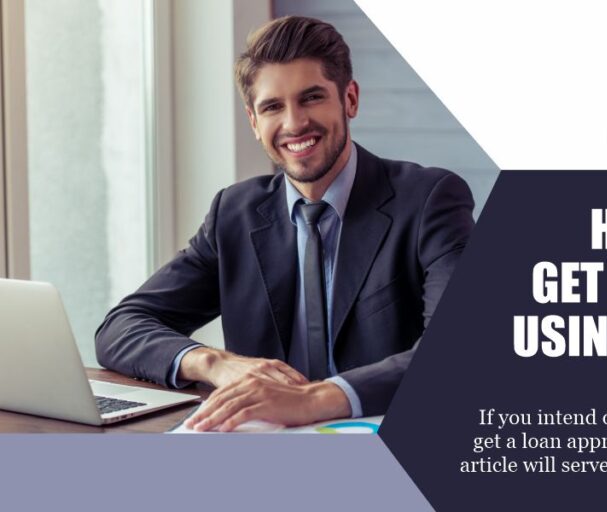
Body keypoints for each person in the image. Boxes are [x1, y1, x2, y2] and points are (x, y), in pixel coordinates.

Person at [95, 16, 474, 432]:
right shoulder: (234, 213)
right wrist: (214, 362)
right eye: (273, 106)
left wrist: (313, 399)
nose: (294, 124)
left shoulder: (429, 200)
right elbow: (121, 327)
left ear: (349, 99)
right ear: (254, 122)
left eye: (311, 98)